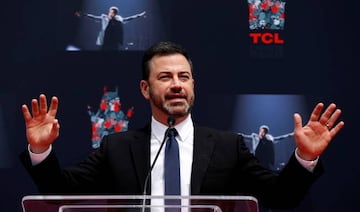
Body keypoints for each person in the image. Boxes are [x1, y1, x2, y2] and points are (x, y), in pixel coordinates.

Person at [20, 41, 344, 210]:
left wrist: (304, 158)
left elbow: (282, 197)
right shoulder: (116, 147)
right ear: (146, 89)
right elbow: (58, 194)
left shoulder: (228, 147)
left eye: (183, 77)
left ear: (193, 85)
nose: (177, 85)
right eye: (165, 77)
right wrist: (40, 149)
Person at [75, 6, 146, 51]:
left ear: (115, 13)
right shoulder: (104, 17)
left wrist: (139, 15)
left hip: (114, 41)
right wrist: (83, 14)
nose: (111, 14)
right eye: (110, 12)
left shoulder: (119, 20)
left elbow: (129, 18)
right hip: (105, 40)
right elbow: (93, 17)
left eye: (113, 12)